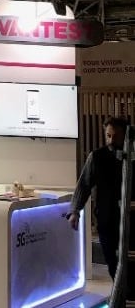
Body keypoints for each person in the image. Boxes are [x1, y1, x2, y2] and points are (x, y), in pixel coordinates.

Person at [68, 116, 129, 280]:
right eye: (108, 136)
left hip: (131, 219)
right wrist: (75, 211)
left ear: (126, 135)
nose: (111, 141)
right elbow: (84, 185)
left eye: (116, 136)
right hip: (106, 219)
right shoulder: (96, 157)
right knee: (112, 263)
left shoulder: (131, 156)